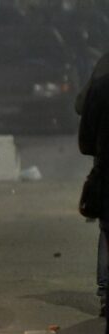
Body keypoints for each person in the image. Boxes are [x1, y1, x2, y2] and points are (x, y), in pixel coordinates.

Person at [77, 53, 109, 318]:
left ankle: (106, 292)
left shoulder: (101, 80)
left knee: (107, 230)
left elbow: (85, 141)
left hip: (107, 170)